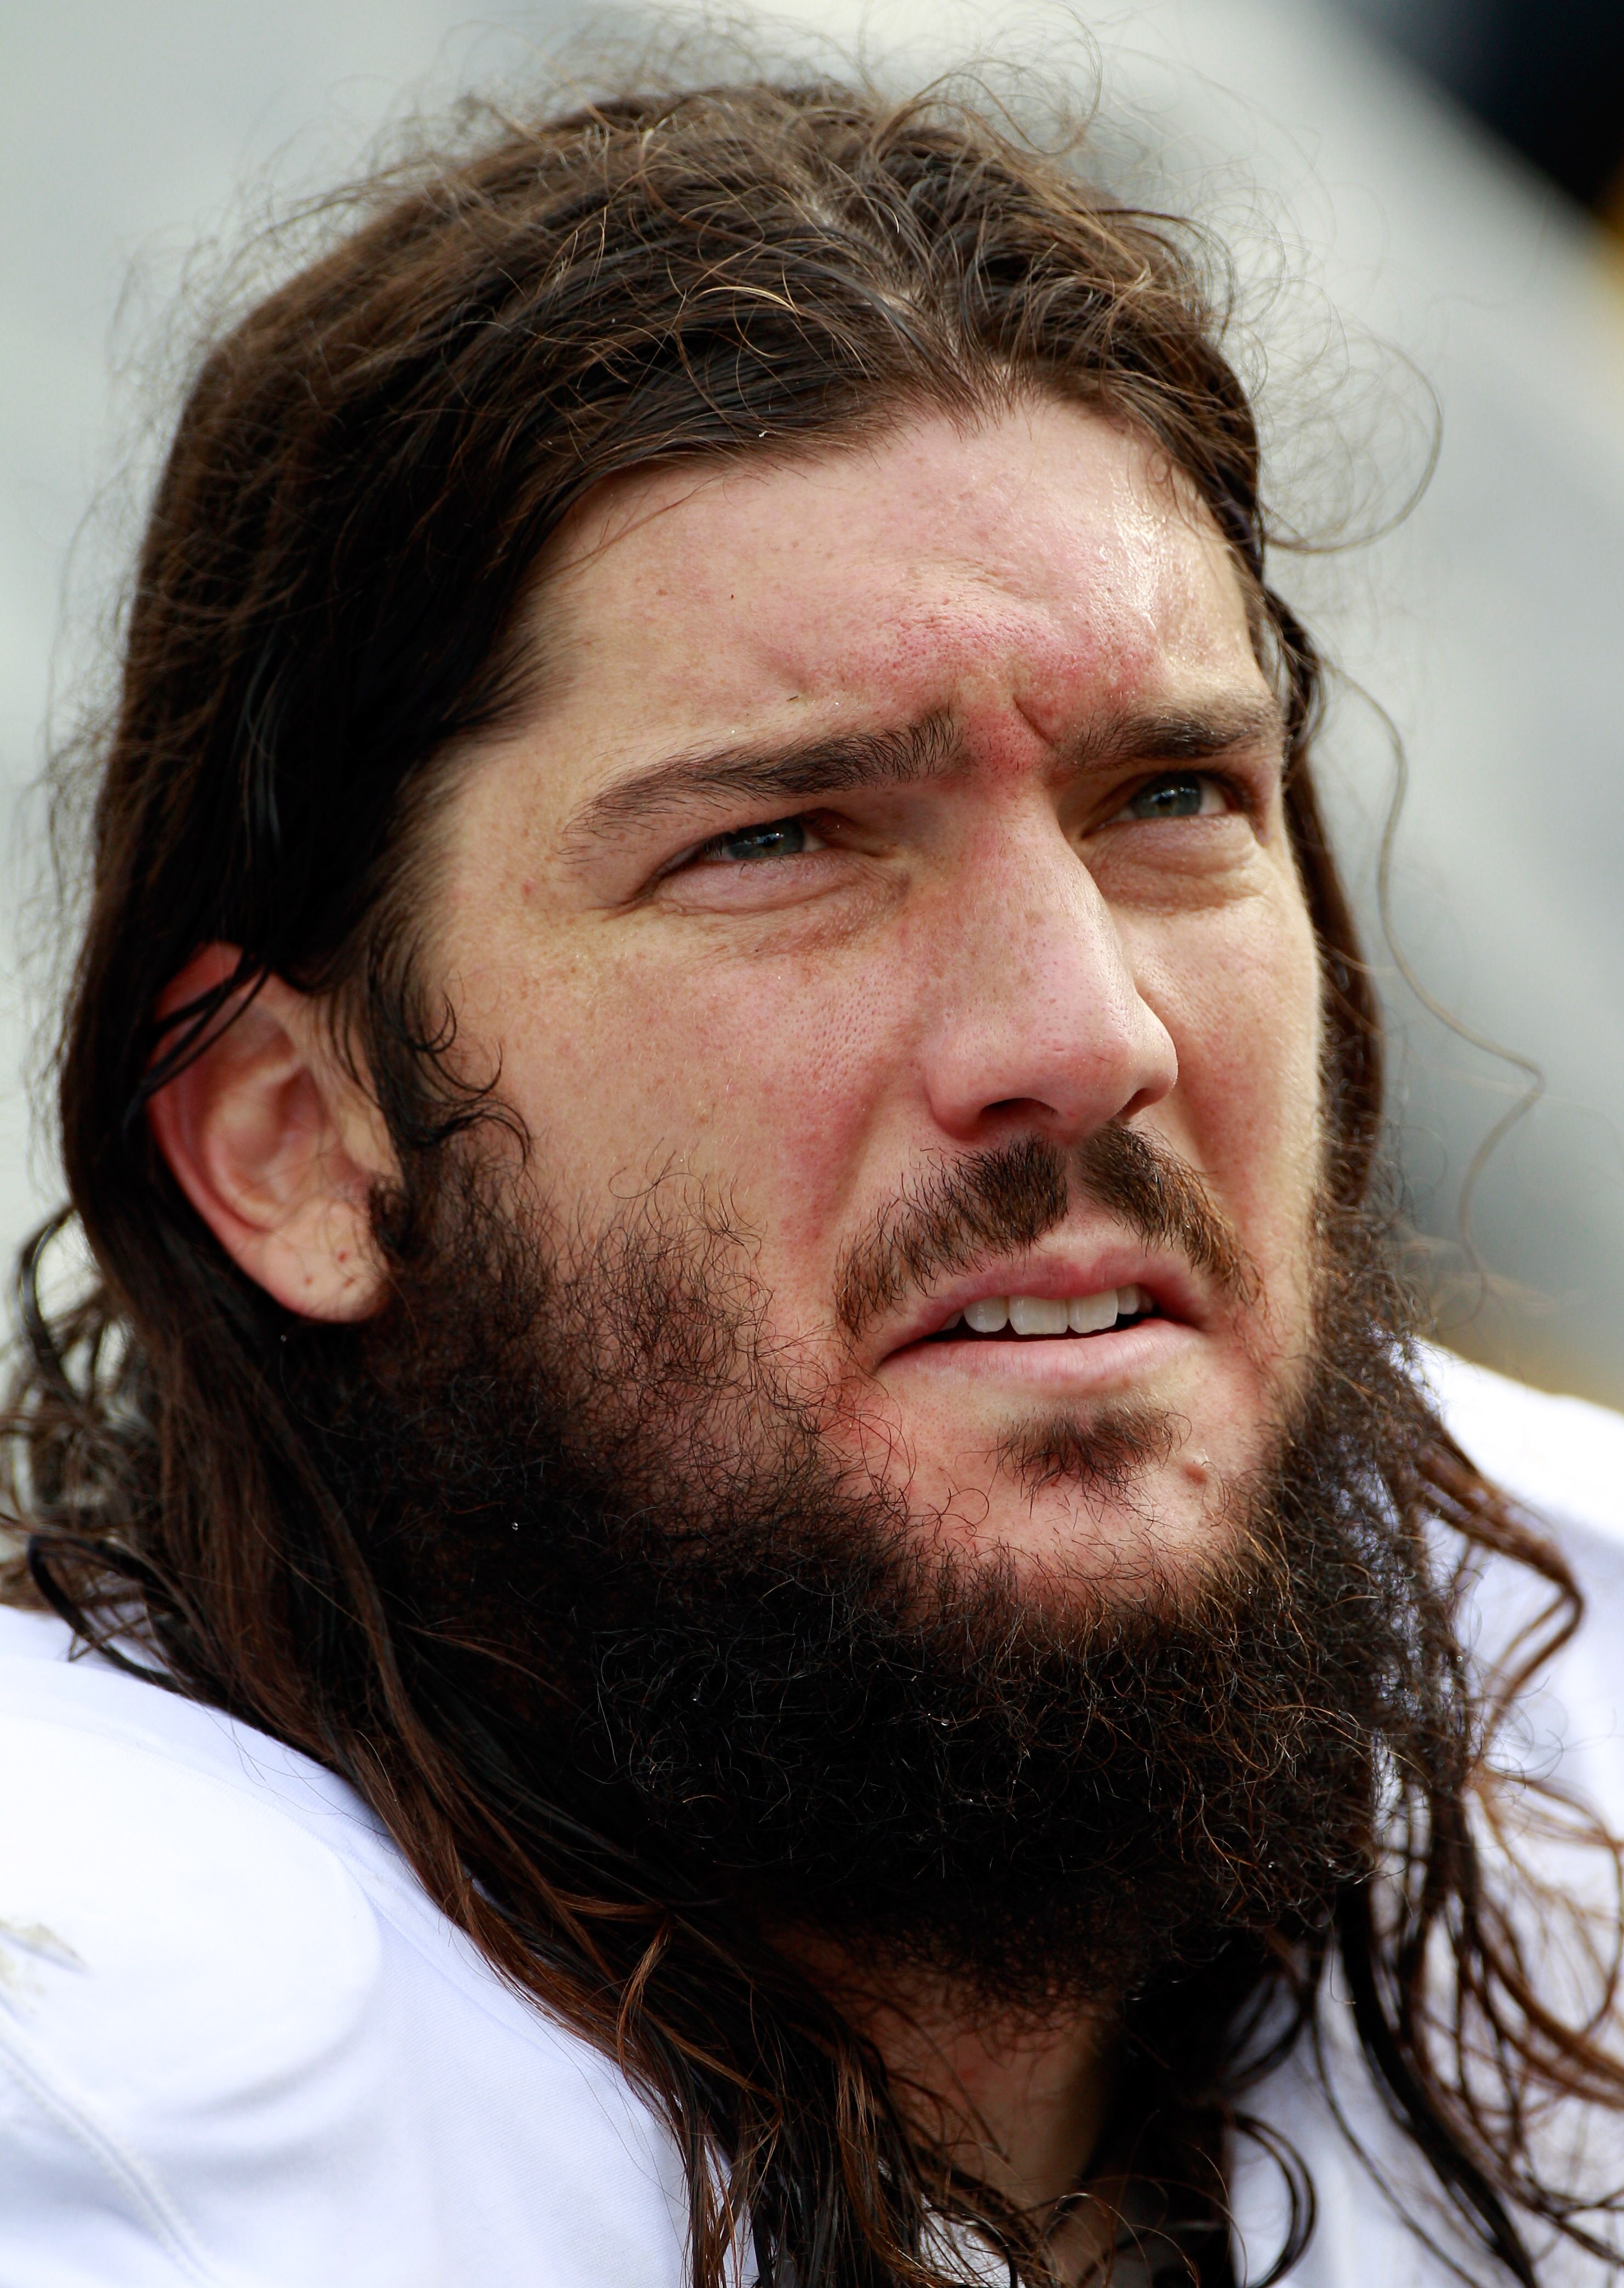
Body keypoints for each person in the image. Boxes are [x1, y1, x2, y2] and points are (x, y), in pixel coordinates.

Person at [1, 72, 1621, 2288]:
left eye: (1170, 797)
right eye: (780, 840)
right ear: (299, 1144)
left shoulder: (1589, 1741)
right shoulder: (95, 2088)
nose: (1086, 1034)